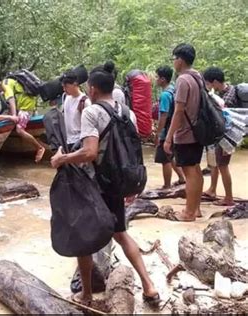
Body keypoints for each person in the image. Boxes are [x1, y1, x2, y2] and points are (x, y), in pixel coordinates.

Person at [50, 63, 159, 307]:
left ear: (93, 89)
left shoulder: (92, 112)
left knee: (83, 237)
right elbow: (134, 150)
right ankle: (149, 286)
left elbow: (89, 152)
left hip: (94, 183)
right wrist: (133, 186)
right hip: (118, 182)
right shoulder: (126, 112)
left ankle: (86, 294)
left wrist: (62, 159)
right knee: (120, 233)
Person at [164, 44, 204, 221]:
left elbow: (179, 111)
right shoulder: (198, 77)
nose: (173, 62)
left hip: (186, 133)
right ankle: (196, 209)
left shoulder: (182, 80)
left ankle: (188, 213)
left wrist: (168, 137)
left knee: (189, 172)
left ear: (180, 59)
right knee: (196, 170)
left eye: (174, 58)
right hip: (199, 131)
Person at [0, 75, 46, 162]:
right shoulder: (6, 82)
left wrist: (13, 116)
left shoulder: (5, 86)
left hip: (26, 106)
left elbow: (11, 100)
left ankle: (40, 147)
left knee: (19, 130)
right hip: (27, 103)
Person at [202, 67, 236, 206]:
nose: (209, 86)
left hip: (227, 136)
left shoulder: (228, 95)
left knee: (223, 165)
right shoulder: (224, 92)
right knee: (215, 164)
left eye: (209, 83)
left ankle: (229, 198)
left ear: (215, 82)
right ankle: (212, 190)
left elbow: (223, 117)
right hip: (220, 135)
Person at [154, 65, 185, 189]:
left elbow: (164, 116)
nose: (155, 79)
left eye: (156, 76)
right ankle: (182, 178)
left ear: (162, 79)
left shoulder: (165, 95)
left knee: (164, 159)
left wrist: (158, 133)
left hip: (167, 130)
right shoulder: (173, 90)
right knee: (170, 155)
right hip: (175, 129)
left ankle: (166, 186)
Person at [60, 70, 91, 149]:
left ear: (75, 84)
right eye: (63, 87)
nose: (64, 89)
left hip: (80, 141)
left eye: (66, 86)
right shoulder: (66, 98)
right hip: (69, 140)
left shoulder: (85, 101)